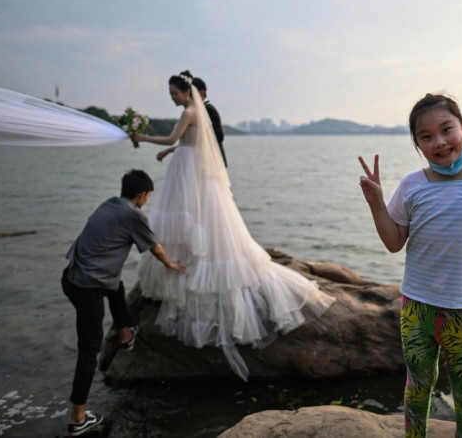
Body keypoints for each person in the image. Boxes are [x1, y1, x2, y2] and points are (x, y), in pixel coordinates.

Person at [131, 70, 334, 381]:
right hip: (189, 168)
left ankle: (192, 266)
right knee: (193, 217)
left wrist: (143, 137)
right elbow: (188, 142)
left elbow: (175, 137)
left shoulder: (189, 111)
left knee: (192, 216)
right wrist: (171, 150)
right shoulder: (196, 111)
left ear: (187, 92)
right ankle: (189, 261)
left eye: (174, 92)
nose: (172, 97)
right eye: (169, 93)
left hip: (188, 172)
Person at [358, 93, 462, 437]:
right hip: (417, 306)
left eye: (446, 129)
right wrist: (376, 203)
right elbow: (393, 242)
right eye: (426, 136)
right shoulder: (412, 185)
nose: (440, 142)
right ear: (417, 143)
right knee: (417, 386)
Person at [61, 169, 186, 436]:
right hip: (87, 287)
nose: (148, 200)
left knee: (115, 285)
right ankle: (78, 418)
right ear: (141, 195)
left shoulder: (109, 203)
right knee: (89, 348)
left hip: (71, 277)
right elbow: (155, 246)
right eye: (148, 196)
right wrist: (171, 264)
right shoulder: (134, 215)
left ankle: (125, 334)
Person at [156, 76, 227, 167]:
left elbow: (218, 137)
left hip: (211, 162)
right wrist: (169, 150)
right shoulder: (195, 111)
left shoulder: (208, 109)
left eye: (191, 93)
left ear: (200, 93)